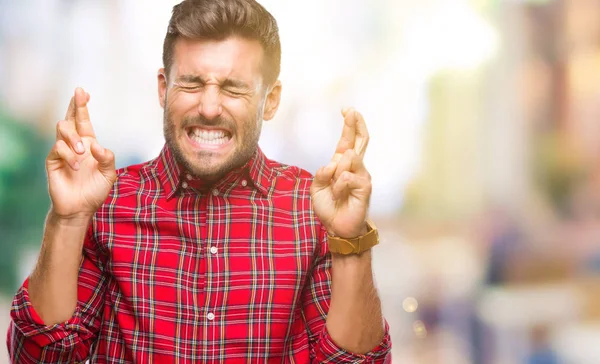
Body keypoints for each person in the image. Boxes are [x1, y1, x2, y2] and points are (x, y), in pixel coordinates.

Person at [7, 0, 391, 362]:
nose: (208, 108)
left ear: (270, 101)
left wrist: (350, 239)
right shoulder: (107, 201)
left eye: (233, 87)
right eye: (191, 84)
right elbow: (39, 356)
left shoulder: (311, 210)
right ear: (163, 88)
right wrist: (69, 219)